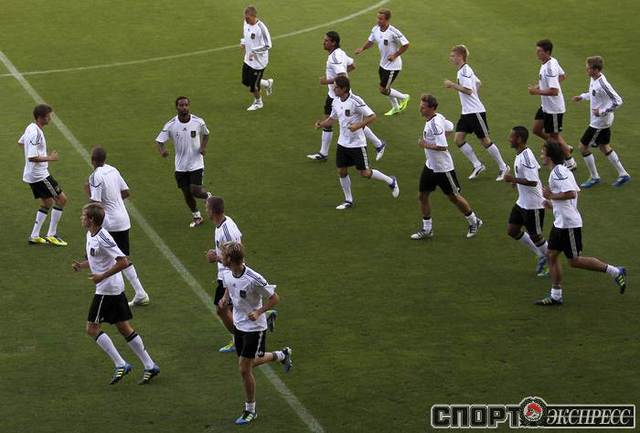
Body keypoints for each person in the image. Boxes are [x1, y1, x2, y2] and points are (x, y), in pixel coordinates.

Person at [72, 203, 160, 384]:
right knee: (123, 327)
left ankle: (120, 364)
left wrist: (101, 276)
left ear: (91, 220)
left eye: (84, 216)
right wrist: (82, 265)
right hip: (112, 288)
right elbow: (97, 259)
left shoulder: (103, 237)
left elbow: (123, 262)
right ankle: (150, 365)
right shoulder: (90, 234)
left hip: (107, 289)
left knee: (92, 328)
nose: (81, 218)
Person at [535, 141, 627, 305]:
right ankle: (556, 296)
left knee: (575, 261)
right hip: (560, 223)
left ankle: (615, 271)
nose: (541, 155)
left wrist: (551, 196)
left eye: (543, 152)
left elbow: (571, 193)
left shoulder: (558, 172)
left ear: (550, 156)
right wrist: (552, 204)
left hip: (568, 225)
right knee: (551, 255)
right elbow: (571, 196)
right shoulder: (560, 171)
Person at [218, 241, 292, 425]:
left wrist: (259, 312)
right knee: (249, 363)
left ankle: (250, 410)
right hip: (239, 325)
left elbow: (274, 297)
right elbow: (229, 285)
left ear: (231, 259)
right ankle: (282, 355)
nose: (221, 257)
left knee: (244, 369)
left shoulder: (253, 278)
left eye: (224, 255)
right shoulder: (227, 272)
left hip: (254, 328)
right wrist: (225, 298)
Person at [315, 76, 399, 210]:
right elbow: (332, 118)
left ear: (344, 89)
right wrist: (321, 124)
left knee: (364, 173)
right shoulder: (335, 101)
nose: (333, 89)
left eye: (336, 87)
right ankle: (348, 200)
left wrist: (358, 126)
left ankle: (391, 180)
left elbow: (372, 116)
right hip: (342, 143)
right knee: (341, 171)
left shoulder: (355, 101)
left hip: (357, 144)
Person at [410, 94, 483, 240]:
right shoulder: (438, 117)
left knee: (454, 197)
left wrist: (425, 144)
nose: (420, 109)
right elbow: (450, 127)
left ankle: (473, 221)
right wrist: (439, 137)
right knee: (422, 196)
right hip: (430, 165)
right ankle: (427, 229)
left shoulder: (435, 124)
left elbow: (443, 146)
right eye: (420, 106)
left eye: (423, 107)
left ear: (432, 108)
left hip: (443, 168)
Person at [307, 31, 387, 162]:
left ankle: (378, 144)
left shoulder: (334, 58)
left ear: (333, 42)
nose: (324, 42)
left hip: (339, 96)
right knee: (330, 121)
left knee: (350, 124)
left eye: (326, 40)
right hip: (333, 94)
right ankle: (323, 153)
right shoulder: (341, 53)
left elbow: (343, 76)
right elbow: (352, 65)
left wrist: (326, 81)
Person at [88, 147, 150, 307]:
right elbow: (126, 192)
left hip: (110, 223)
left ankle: (112, 292)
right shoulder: (113, 170)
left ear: (92, 160)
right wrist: (114, 201)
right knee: (122, 257)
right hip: (123, 220)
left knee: (113, 259)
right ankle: (140, 293)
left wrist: (90, 196)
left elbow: (96, 204)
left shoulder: (95, 176)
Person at [444, 45, 509, 181]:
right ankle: (477, 165)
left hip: (475, 111)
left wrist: (452, 85)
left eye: (453, 56)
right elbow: (478, 83)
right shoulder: (464, 70)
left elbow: (468, 90)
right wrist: (474, 95)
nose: (451, 58)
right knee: (458, 139)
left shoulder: (464, 71)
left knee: (484, 141)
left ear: (460, 56)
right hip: (466, 112)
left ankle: (503, 167)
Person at [572, 56, 630, 188]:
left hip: (599, 122)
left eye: (588, 68)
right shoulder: (593, 79)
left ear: (596, 70)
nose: (586, 70)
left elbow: (618, 101)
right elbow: (593, 94)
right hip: (601, 121)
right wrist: (582, 97)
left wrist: (602, 111)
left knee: (583, 147)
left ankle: (594, 177)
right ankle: (623, 174)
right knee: (604, 146)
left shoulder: (603, 84)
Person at [156, 96, 212, 228]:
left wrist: (203, 147)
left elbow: (206, 134)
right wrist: (162, 151)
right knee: (186, 193)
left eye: (186, 105)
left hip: (196, 163)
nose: (184, 107)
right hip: (181, 165)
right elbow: (159, 141)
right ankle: (197, 216)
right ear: (176, 107)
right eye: (181, 105)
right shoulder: (171, 125)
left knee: (195, 191)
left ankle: (207, 196)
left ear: (189, 106)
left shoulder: (198, 122)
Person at [19, 104, 68, 246]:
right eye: (48, 116)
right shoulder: (35, 133)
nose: (50, 118)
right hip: (39, 175)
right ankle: (51, 235)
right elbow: (32, 157)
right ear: (41, 118)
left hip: (32, 174)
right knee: (61, 199)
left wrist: (32, 150)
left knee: (47, 202)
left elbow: (21, 142)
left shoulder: (30, 128)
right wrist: (49, 158)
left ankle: (34, 236)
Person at [502, 127, 548, 276]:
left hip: (533, 205)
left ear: (519, 139)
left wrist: (513, 179)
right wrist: (517, 181)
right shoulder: (521, 154)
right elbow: (536, 169)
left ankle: (550, 261)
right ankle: (541, 254)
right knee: (512, 230)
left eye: (511, 137)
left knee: (536, 237)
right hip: (522, 202)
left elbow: (533, 181)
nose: (509, 139)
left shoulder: (526, 157)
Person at [527, 39, 577, 170]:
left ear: (547, 52)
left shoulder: (549, 68)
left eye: (540, 51)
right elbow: (562, 76)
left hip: (553, 108)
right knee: (536, 129)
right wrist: (540, 86)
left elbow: (554, 91)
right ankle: (562, 146)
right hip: (545, 106)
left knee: (554, 136)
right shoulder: (551, 61)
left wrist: (536, 91)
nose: (537, 53)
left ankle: (570, 161)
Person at [355, 8, 410, 116]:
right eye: (377, 18)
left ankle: (404, 97)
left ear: (387, 20)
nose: (378, 20)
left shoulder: (393, 32)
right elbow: (371, 41)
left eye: (381, 19)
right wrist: (362, 48)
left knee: (383, 89)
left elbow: (406, 44)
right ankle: (396, 108)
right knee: (386, 88)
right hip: (383, 64)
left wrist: (394, 55)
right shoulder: (375, 29)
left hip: (393, 66)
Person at [241, 5, 274, 111]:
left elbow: (268, 45)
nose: (246, 20)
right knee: (245, 81)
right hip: (248, 59)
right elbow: (246, 34)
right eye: (245, 17)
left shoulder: (261, 28)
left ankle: (258, 102)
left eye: (247, 18)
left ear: (253, 16)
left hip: (258, 63)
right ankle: (267, 83)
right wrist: (243, 42)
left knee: (253, 87)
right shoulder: (246, 23)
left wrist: (254, 51)